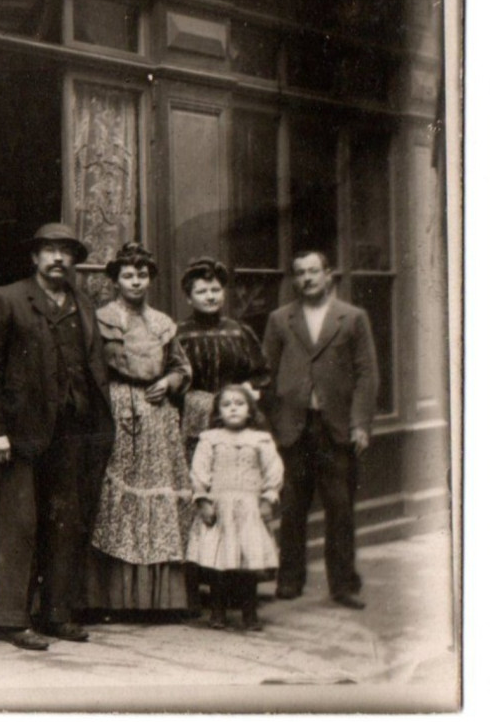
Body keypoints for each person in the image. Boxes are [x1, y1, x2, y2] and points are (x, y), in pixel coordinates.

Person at [0, 222, 114, 650]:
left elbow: (94, 365)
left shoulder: (82, 303)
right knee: (21, 524)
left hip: (74, 432)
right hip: (21, 434)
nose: (58, 258)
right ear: (34, 258)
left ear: (74, 260)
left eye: (66, 251)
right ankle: (13, 620)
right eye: (49, 250)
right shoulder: (7, 299)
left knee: (65, 524)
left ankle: (56, 613)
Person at [263, 250, 379, 609]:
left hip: (335, 428)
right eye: (300, 273)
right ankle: (289, 581)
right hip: (294, 427)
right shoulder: (281, 320)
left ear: (328, 275)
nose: (307, 278)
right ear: (294, 279)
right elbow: (266, 374)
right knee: (293, 506)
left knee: (340, 508)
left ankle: (343, 585)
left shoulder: (353, 318)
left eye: (314, 271)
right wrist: (272, 423)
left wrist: (360, 424)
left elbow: (366, 375)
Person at [88, 242, 194, 612]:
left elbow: (182, 366)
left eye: (142, 274)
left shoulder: (162, 323)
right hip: (118, 410)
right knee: (116, 496)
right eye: (128, 275)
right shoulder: (101, 318)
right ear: (116, 280)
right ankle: (113, 598)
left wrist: (169, 383)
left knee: (155, 492)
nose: (136, 281)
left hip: (157, 414)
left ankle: (157, 600)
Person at [187, 384, 283, 631]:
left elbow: (273, 470)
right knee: (219, 562)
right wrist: (203, 500)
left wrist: (267, 499)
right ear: (218, 412)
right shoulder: (210, 439)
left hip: (248, 509)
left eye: (239, 404)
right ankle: (218, 612)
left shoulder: (259, 439)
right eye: (227, 405)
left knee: (248, 562)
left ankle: (249, 614)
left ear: (250, 410)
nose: (233, 409)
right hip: (220, 509)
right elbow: (199, 470)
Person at [176, 256, 271, 460]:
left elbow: (261, 374)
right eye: (202, 292)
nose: (210, 297)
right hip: (193, 421)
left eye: (216, 290)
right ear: (189, 298)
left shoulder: (239, 332)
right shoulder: (179, 335)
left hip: (235, 416)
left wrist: (248, 388)